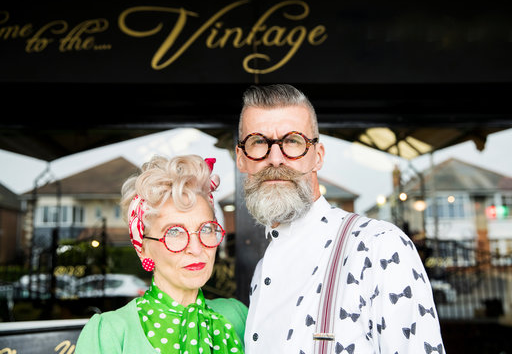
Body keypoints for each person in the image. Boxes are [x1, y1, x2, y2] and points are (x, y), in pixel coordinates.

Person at [235, 84, 446, 353]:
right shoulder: (262, 273)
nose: (275, 159)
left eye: (293, 141)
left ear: (318, 156)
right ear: (241, 159)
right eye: (258, 142)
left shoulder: (379, 246)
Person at [75, 155, 246, 354]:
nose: (196, 248)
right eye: (174, 232)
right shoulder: (109, 332)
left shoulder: (237, 315)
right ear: (143, 247)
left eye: (206, 229)